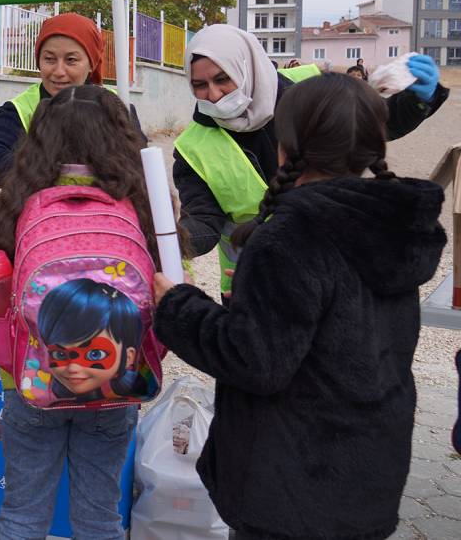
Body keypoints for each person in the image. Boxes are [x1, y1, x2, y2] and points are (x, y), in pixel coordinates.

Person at [153, 74, 446, 539]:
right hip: (370, 473)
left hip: (290, 485)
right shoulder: (390, 227)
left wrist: (177, 305)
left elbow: (255, 361)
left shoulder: (291, 237)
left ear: (285, 144)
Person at [0, 85, 157, 540]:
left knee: (22, 516)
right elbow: (169, 288)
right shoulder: (139, 205)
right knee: (100, 518)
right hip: (114, 386)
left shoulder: (21, 203)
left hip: (31, 380)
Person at [174, 26, 448, 299]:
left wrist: (416, 101)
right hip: (251, 281)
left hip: (330, 262)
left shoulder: (309, 88)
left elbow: (375, 122)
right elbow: (203, 220)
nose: (214, 93)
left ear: (246, 66)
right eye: (200, 85)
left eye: (223, 78)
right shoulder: (191, 148)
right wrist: (166, 238)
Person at [0, 13, 143, 189]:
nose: (59, 71)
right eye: (49, 59)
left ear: (91, 63)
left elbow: (139, 164)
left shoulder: (115, 106)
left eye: (71, 60)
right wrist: (46, 174)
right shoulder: (19, 109)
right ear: (38, 61)